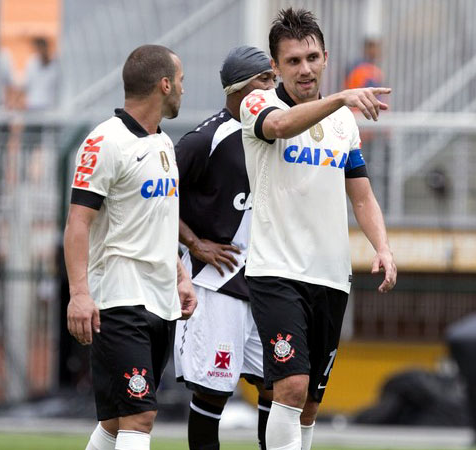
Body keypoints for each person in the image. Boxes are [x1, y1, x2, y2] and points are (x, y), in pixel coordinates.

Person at [239, 8, 397, 450]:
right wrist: (343, 98)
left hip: (330, 276)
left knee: (309, 403)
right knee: (289, 387)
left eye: (311, 57)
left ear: (325, 57)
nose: (304, 68)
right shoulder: (260, 103)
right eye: (292, 61)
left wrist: (382, 247)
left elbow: (361, 195)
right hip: (277, 272)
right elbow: (280, 126)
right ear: (275, 67)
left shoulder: (344, 122)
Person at [63, 44, 197, 450]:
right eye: (181, 81)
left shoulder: (162, 144)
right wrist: (80, 295)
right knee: (140, 415)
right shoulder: (105, 141)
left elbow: (155, 224)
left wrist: (179, 274)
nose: (183, 90)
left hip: (159, 298)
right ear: (164, 84)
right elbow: (77, 223)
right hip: (119, 299)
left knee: (115, 421)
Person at [173, 45, 277, 450]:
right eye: (263, 81)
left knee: (279, 385)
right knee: (213, 392)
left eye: (273, 80)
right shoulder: (204, 139)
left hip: (266, 283)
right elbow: (158, 200)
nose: (272, 89)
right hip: (217, 285)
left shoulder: (273, 131)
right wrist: (196, 244)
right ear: (237, 89)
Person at [20, 36, 60, 151]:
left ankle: (50, 169)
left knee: (50, 147)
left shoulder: (57, 64)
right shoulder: (32, 63)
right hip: (33, 110)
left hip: (50, 111)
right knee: (27, 145)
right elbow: (25, 86)